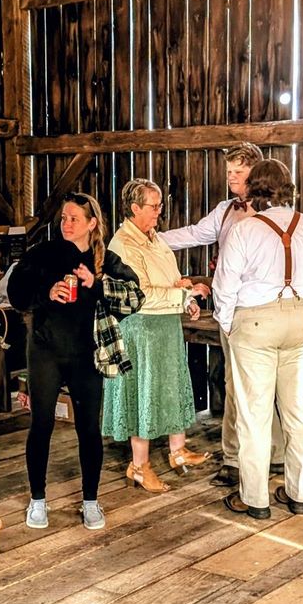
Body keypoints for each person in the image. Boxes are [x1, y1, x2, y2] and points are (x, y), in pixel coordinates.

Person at [212, 159, 303, 521]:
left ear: (254, 189)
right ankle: (298, 495)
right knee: (300, 411)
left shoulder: (245, 230)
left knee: (254, 412)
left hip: (254, 323)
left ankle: (256, 500)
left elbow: (224, 287)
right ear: (288, 189)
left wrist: (229, 323)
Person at [8, 192, 142, 531]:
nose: (66, 224)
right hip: (45, 351)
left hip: (87, 354)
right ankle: (37, 501)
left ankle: (91, 501)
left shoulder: (106, 261)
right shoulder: (44, 254)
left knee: (88, 429)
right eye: (64, 218)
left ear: (91, 224)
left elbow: (135, 298)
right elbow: (16, 294)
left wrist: (95, 284)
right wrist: (45, 294)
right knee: (41, 425)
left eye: (74, 219)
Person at [160, 142, 285, 488]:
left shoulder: (274, 214)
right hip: (233, 309)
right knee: (234, 384)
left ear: (256, 173)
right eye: (229, 171)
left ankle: (274, 454)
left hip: (268, 308)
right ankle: (234, 458)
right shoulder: (225, 211)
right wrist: (153, 239)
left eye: (239, 171)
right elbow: (196, 234)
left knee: (265, 387)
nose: (232, 177)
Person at [102, 179, 210, 494]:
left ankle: (177, 450)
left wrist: (186, 298)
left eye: (160, 205)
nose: (159, 212)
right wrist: (184, 293)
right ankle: (139, 465)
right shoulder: (123, 245)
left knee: (171, 386)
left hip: (165, 327)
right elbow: (141, 294)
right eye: (154, 206)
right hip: (141, 329)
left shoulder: (155, 239)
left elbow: (172, 280)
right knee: (145, 394)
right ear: (134, 208)